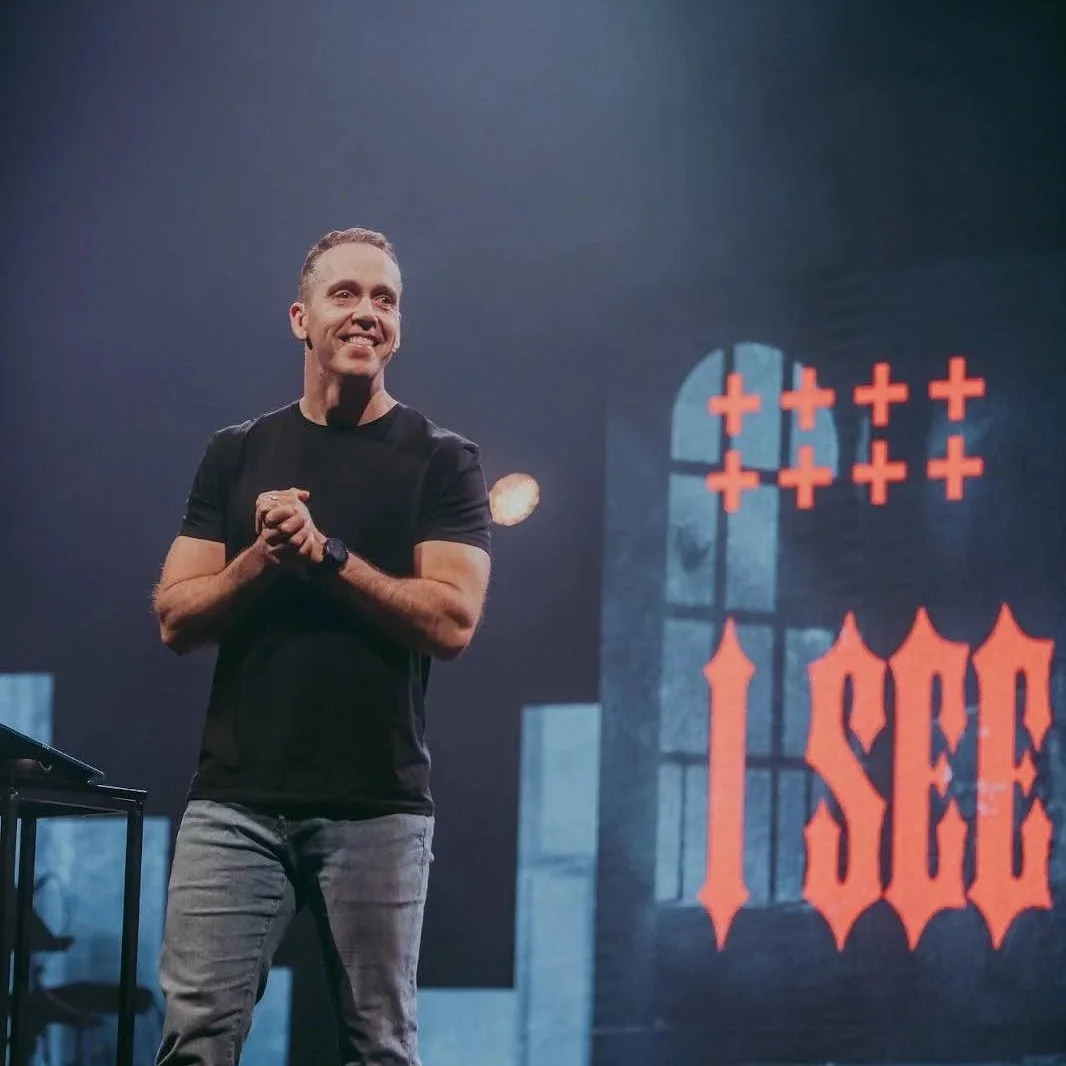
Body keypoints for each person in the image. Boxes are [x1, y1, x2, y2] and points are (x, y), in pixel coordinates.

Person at [151, 227, 492, 1065]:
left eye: (386, 300)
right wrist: (263, 559)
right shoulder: (235, 453)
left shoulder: (443, 461)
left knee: (380, 1048)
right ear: (300, 319)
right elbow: (175, 617)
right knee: (194, 1043)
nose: (368, 313)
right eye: (346, 294)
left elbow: (453, 621)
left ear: (399, 329)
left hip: (377, 805)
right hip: (235, 802)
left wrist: (327, 556)